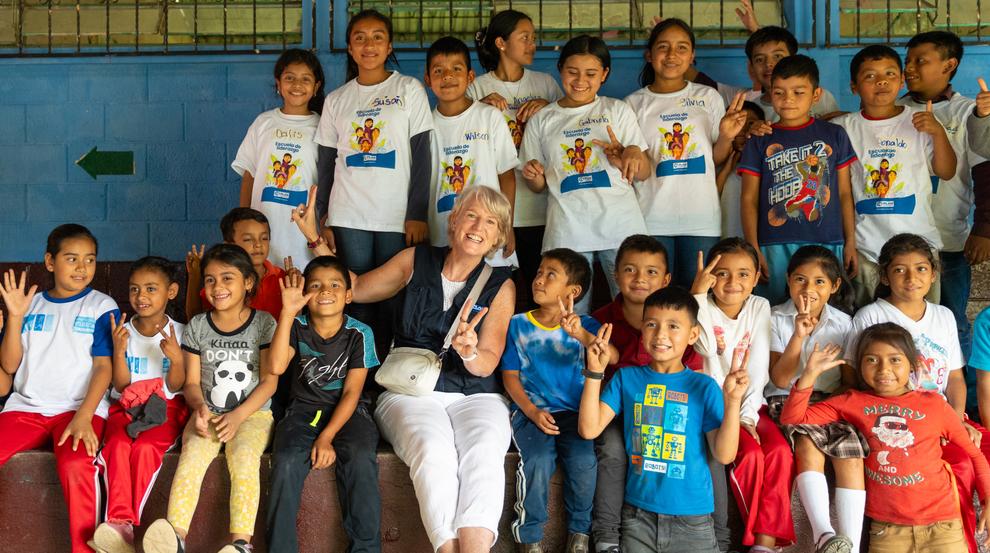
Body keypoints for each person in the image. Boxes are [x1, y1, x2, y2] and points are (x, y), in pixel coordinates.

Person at [333, 185, 515, 553]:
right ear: (454, 220)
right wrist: (317, 246)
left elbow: (488, 362)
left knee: (484, 451)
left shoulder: (501, 284)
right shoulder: (416, 259)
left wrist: (469, 351)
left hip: (475, 393)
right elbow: (358, 289)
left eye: (491, 222)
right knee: (434, 452)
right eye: (472, 215)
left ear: (498, 236)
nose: (479, 226)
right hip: (410, 391)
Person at [781, 322, 990, 553]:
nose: (883, 369)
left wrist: (987, 498)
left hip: (943, 526)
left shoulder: (935, 406)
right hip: (887, 531)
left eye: (895, 360)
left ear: (912, 364)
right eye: (871, 359)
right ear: (859, 366)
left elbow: (975, 455)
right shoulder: (852, 401)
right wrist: (809, 375)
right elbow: (793, 418)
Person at [578, 286, 750, 553]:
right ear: (642, 330)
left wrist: (733, 402)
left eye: (673, 326)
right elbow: (589, 429)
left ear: (693, 335)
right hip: (638, 519)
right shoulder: (627, 379)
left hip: (694, 522)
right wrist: (594, 373)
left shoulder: (704, 386)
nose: (661, 335)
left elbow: (724, 455)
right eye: (652, 324)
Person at [844, 233, 985, 551]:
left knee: (969, 460)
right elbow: (853, 378)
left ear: (934, 274)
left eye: (921, 269)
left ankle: (957, 541)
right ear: (884, 275)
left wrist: (957, 419)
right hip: (896, 421)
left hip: (942, 419)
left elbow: (955, 379)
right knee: (951, 466)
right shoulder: (871, 316)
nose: (912, 278)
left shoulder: (943, 316)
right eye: (900, 270)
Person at [314, 9, 434, 356]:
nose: (369, 45)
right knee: (356, 299)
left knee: (395, 296)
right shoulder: (337, 100)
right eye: (360, 38)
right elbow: (325, 166)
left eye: (377, 37)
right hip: (348, 214)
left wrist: (417, 214)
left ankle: (389, 376)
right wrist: (325, 217)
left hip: (397, 216)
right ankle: (360, 374)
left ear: (389, 45)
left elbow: (423, 155)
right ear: (350, 48)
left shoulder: (408, 89)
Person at [143, 244, 277, 553]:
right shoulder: (199, 326)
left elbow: (270, 381)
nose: (217, 287)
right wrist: (200, 408)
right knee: (192, 457)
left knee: (243, 458)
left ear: (248, 282)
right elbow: (190, 382)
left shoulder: (264, 324)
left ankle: (241, 544)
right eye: (210, 280)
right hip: (208, 412)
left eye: (227, 278)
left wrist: (239, 416)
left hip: (253, 415)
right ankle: (174, 538)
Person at [0, 224, 119, 553]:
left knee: (76, 466)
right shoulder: (31, 305)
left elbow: (103, 367)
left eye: (90, 259)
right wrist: (14, 316)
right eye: (72, 259)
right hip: (25, 409)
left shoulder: (101, 306)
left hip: (78, 411)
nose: (83, 268)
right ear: (50, 262)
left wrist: (84, 416)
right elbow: (9, 365)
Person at [519, 34, 650, 314]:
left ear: (604, 74)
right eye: (572, 72)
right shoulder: (543, 119)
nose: (580, 81)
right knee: (568, 314)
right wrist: (533, 175)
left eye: (591, 73)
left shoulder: (617, 110)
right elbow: (538, 187)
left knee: (633, 307)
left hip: (620, 227)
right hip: (567, 228)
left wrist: (630, 154)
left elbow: (644, 172)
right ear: (560, 70)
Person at [266, 257, 381, 553]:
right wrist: (288, 313)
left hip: (349, 411)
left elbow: (351, 393)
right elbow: (276, 367)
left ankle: (365, 550)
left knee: (359, 456)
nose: (325, 291)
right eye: (315, 285)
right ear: (305, 293)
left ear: (348, 295)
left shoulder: (359, 333)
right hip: (303, 410)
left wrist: (327, 436)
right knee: (288, 460)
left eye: (334, 285)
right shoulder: (296, 326)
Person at [624, 18, 749, 288]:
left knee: (698, 297)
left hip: (701, 217)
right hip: (652, 217)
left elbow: (714, 159)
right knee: (657, 298)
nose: (672, 55)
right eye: (663, 47)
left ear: (692, 55)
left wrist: (727, 136)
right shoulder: (633, 104)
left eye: (682, 48)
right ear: (649, 54)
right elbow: (638, 166)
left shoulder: (708, 97)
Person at [690, 237, 794, 552]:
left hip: (750, 404)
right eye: (722, 273)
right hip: (714, 409)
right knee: (748, 455)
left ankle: (765, 543)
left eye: (743, 274)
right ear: (710, 275)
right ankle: (756, 541)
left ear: (756, 277)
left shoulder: (759, 306)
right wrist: (697, 294)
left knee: (780, 453)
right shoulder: (698, 305)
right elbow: (705, 348)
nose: (733, 282)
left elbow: (760, 365)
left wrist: (747, 415)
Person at [833, 45, 957, 308]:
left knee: (921, 325)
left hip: (919, 247)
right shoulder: (843, 129)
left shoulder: (921, 121)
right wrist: (850, 243)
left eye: (890, 74)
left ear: (902, 80)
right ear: (854, 86)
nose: (881, 81)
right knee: (867, 322)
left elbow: (947, 171)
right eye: (869, 76)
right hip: (866, 249)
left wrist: (937, 133)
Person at [502, 248, 609, 552]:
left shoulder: (586, 326)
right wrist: (532, 411)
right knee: (537, 461)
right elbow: (510, 376)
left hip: (576, 414)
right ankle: (530, 537)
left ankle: (579, 535)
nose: (539, 279)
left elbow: (608, 356)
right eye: (539, 272)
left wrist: (581, 336)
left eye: (551, 275)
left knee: (584, 462)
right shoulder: (518, 324)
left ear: (572, 291)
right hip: (531, 412)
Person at [898, 31, 990, 371]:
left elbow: (985, 172)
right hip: (899, 240)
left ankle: (963, 405)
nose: (910, 69)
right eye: (907, 61)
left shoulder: (970, 111)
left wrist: (984, 228)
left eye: (921, 61)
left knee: (953, 322)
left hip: (949, 242)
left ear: (949, 65)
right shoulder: (896, 111)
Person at [739, 54, 859, 306]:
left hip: (827, 241)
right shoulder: (760, 138)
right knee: (773, 314)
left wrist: (850, 242)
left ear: (816, 95)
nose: (788, 100)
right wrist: (753, 248)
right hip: (773, 244)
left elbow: (845, 194)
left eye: (798, 92)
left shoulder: (834, 134)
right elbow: (749, 198)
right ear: (770, 94)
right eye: (779, 93)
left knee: (825, 314)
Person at [766, 246, 863, 553]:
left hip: (829, 402)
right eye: (800, 280)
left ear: (835, 286)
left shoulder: (844, 324)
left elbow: (848, 383)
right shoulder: (776, 318)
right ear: (788, 280)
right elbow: (780, 379)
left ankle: (850, 545)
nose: (809, 289)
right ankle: (823, 534)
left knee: (851, 453)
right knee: (808, 441)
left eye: (820, 282)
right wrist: (799, 335)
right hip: (786, 401)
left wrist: (832, 408)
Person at [93, 257, 189, 553]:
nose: (141, 297)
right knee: (118, 445)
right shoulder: (124, 330)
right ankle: (119, 523)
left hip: (165, 409)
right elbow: (121, 387)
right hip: (127, 407)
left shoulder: (182, 332)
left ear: (171, 292)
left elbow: (176, 386)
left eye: (150, 289)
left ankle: (127, 523)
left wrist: (175, 358)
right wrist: (119, 352)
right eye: (135, 289)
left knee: (146, 448)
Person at [588, 234, 673, 552]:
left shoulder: (672, 321)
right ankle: (607, 537)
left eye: (651, 272)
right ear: (615, 274)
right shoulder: (597, 321)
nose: (640, 279)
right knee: (611, 449)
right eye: (631, 270)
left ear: (665, 279)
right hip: (611, 412)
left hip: (659, 410)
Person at [470, 9, 563, 291]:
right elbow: (461, 137)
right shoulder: (477, 88)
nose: (532, 44)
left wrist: (550, 108)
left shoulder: (544, 83)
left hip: (539, 205)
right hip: (495, 208)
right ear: (501, 43)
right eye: (525, 38)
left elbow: (569, 125)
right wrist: (478, 109)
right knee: (499, 292)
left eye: (533, 38)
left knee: (543, 291)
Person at [425, 36, 519, 267]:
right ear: (427, 79)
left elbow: (506, 176)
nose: (447, 76)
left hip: (488, 231)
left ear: (470, 76)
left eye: (456, 69)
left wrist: (507, 226)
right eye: (438, 71)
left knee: (492, 294)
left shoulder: (489, 117)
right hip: (441, 231)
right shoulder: (423, 125)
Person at [233, 48, 325, 266]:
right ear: (278, 83)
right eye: (289, 78)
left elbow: (330, 181)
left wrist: (325, 224)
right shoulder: (263, 122)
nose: (297, 85)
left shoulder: (323, 126)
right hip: (263, 226)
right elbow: (249, 174)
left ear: (316, 87)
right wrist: (243, 219)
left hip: (302, 230)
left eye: (305, 79)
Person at [185, 208, 288, 320]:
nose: (258, 244)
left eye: (264, 238)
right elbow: (195, 317)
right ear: (229, 245)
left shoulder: (282, 278)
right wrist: (194, 277)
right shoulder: (222, 280)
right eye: (248, 239)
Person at [726, 26, 842, 122]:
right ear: (751, 67)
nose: (769, 64)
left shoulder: (822, 97)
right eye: (760, 59)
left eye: (777, 56)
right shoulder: (753, 111)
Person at [718, 101, 764, 240]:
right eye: (737, 124)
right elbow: (708, 203)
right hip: (725, 243)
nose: (744, 132)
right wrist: (725, 172)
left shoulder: (767, 165)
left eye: (750, 125)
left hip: (758, 243)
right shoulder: (717, 162)